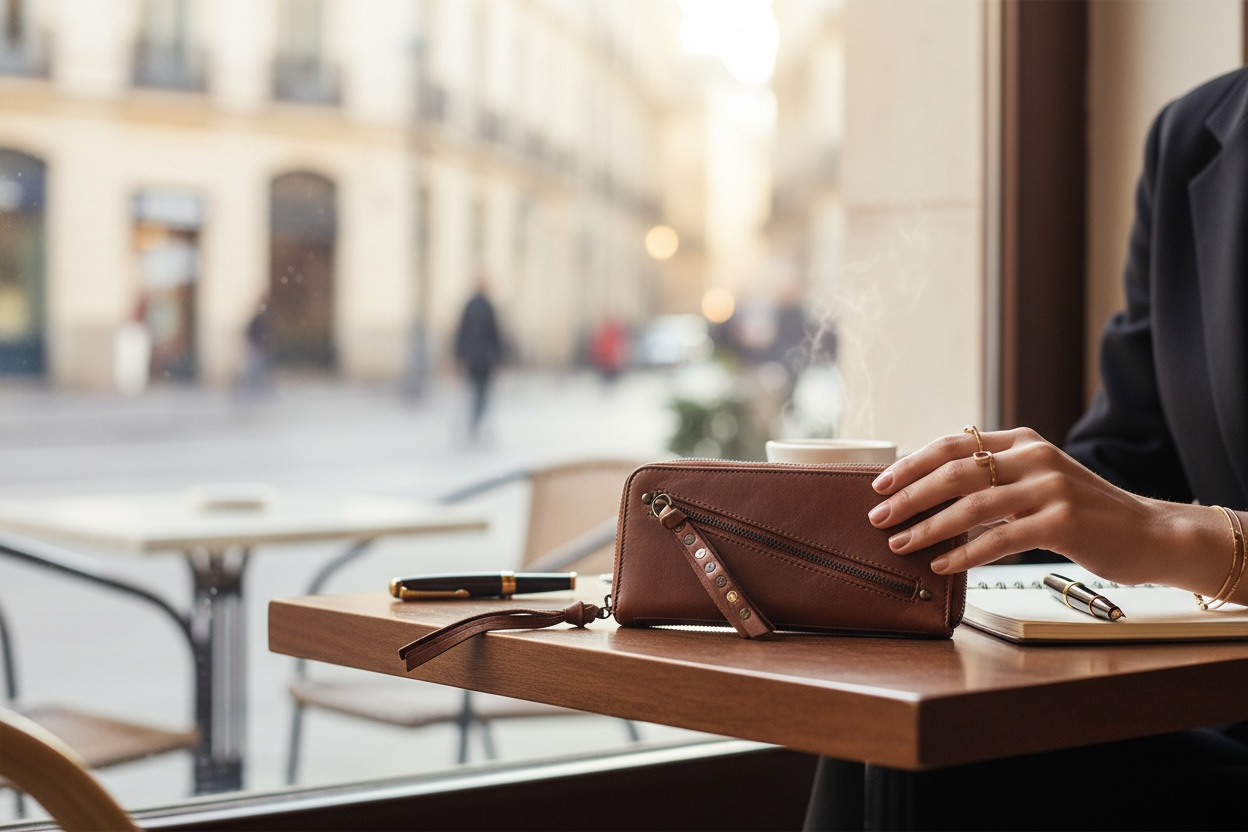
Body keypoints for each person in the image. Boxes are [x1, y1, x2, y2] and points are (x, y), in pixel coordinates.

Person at [862, 66, 1248, 829]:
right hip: (1212, 710)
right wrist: (921, 535)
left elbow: (1143, 519)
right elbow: (1127, 460)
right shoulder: (1192, 137)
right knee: (908, 729)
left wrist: (1192, 539)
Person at [453, 276, 503, 441]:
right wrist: (498, 355)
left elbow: (461, 332)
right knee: (482, 392)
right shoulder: (488, 307)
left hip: (473, 357)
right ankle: (475, 421)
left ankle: (474, 421)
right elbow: (495, 334)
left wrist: (459, 355)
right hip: (485, 358)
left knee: (475, 391)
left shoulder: (470, 306)